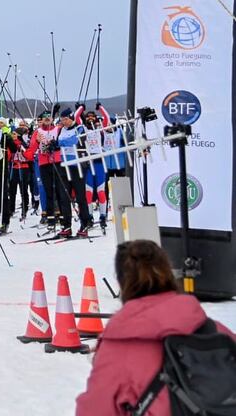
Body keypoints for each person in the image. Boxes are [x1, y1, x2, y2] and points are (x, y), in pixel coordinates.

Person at [76, 240, 235, 415]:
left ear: (122, 283)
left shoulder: (118, 349)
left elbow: (95, 409)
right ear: (168, 273)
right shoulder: (213, 330)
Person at [25, 110, 68, 234]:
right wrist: (37, 142)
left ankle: (62, 218)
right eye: (44, 117)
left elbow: (64, 142)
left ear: (52, 118)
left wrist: (56, 145)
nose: (47, 118)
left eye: (49, 116)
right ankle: (50, 219)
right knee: (48, 191)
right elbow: (31, 149)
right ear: (41, 120)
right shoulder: (37, 132)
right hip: (44, 164)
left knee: (60, 190)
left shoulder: (58, 129)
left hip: (57, 162)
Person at [57, 106, 92, 236]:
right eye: (62, 120)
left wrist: (60, 143)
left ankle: (85, 223)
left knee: (80, 196)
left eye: (66, 119)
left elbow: (75, 140)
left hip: (78, 166)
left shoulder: (80, 128)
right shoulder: (61, 130)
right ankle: (66, 226)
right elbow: (58, 141)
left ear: (71, 117)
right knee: (64, 196)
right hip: (64, 165)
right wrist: (53, 145)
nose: (64, 122)